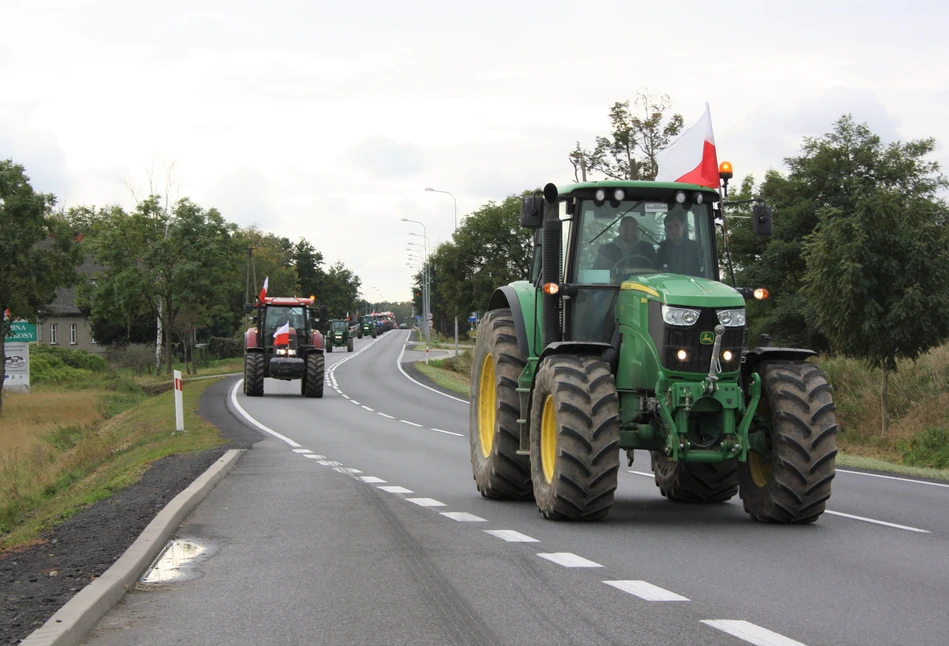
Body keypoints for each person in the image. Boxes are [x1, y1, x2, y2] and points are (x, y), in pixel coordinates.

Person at [657, 212, 702, 276]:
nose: (673, 230)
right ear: (665, 230)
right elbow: (658, 270)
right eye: (669, 227)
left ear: (682, 227)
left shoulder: (695, 248)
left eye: (676, 226)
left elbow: (702, 270)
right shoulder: (661, 249)